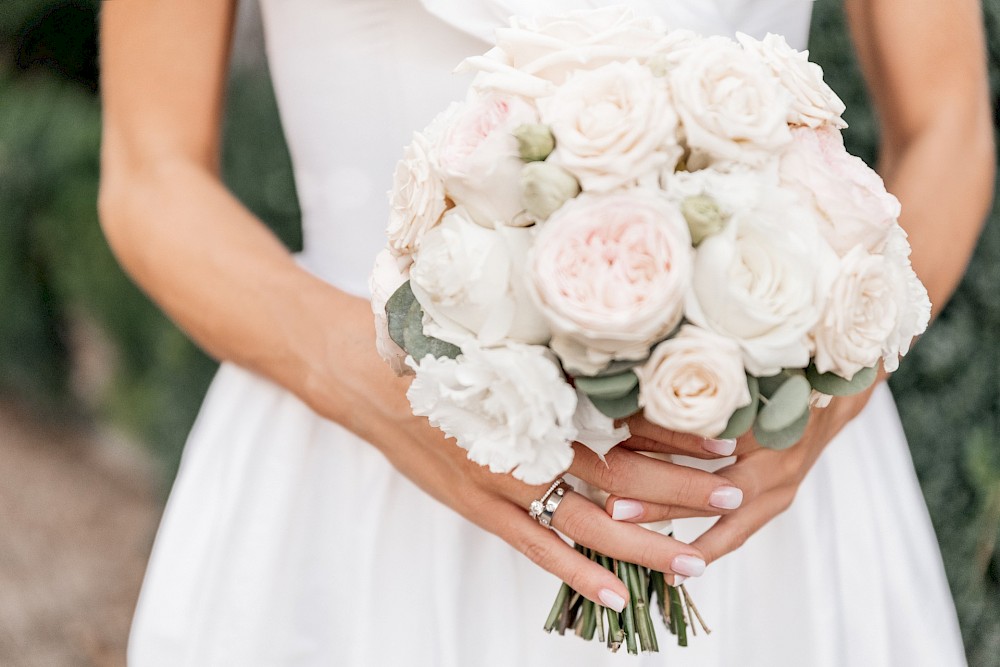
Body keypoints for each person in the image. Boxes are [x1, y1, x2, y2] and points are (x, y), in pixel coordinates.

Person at [98, 0, 994, 665]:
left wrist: (833, 383)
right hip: (353, 477)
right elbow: (150, 171)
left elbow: (947, 125)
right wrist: (403, 395)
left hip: (745, 484)